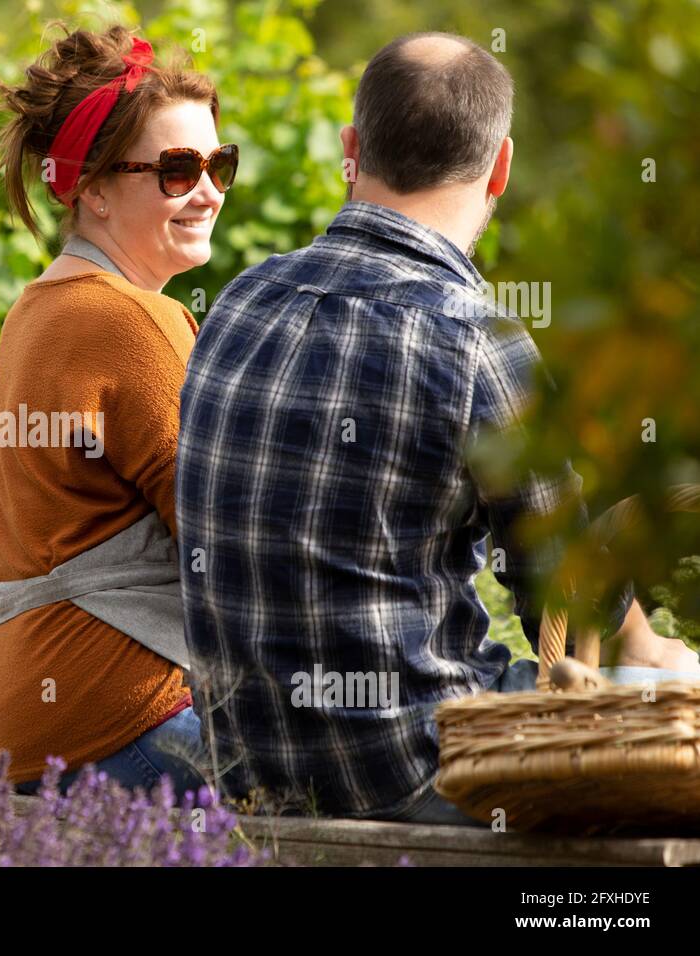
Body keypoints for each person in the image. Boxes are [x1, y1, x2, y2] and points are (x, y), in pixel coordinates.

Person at [175, 32, 699, 825]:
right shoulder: (475, 341)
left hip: (250, 774)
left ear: (351, 149)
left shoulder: (238, 303)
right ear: (502, 168)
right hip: (427, 778)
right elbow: (574, 599)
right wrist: (659, 658)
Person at [0, 24, 238, 797]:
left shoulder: (39, 310)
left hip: (30, 716)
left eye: (219, 164)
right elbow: (226, 538)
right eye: (177, 169)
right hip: (121, 714)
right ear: (90, 190)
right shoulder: (129, 321)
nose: (208, 189)